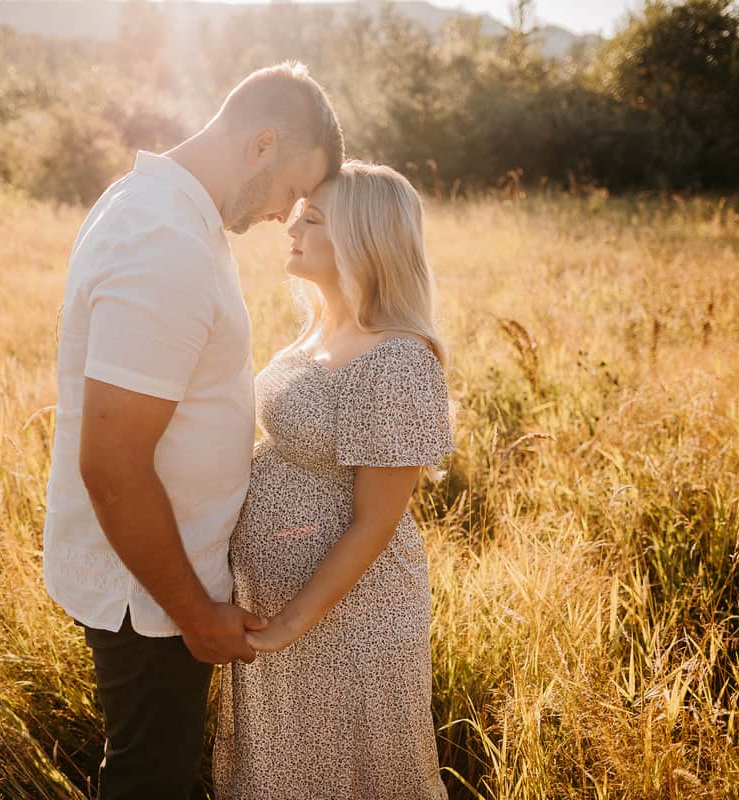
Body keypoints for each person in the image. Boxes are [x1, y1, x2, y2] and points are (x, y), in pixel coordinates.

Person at [41, 62, 344, 800]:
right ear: (262, 144)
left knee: (151, 770)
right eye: (291, 189)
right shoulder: (164, 237)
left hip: (158, 580)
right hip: (151, 597)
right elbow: (113, 464)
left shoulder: (164, 210)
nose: (286, 213)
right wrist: (196, 615)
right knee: (153, 782)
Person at [212, 161, 455, 800]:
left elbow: (376, 522)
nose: (291, 223)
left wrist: (293, 621)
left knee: (346, 776)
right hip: (283, 611)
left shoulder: (397, 358)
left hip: (349, 621)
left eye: (313, 218)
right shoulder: (321, 327)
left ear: (363, 239)